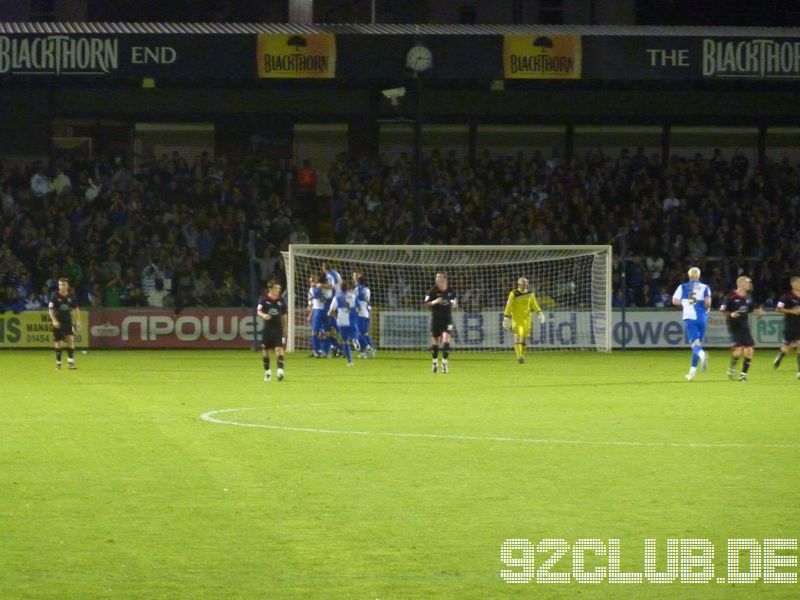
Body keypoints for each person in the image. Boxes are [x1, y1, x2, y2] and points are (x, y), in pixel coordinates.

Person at [720, 275, 762, 381]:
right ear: (741, 284)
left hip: (744, 326)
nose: (749, 284)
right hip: (734, 326)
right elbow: (722, 310)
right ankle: (732, 366)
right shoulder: (730, 296)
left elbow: (751, 310)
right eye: (747, 282)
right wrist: (731, 314)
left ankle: (743, 375)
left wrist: (758, 312)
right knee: (738, 350)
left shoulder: (749, 297)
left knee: (749, 350)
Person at [672, 266, 711, 381]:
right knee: (697, 345)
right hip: (702, 318)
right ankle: (691, 374)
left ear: (689, 276)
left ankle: (703, 355)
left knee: (695, 346)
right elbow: (708, 303)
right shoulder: (705, 287)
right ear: (699, 276)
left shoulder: (683, 287)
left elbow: (674, 301)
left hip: (690, 317)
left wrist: (685, 303)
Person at [503, 277, 545, 364]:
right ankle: (519, 356)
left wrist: (540, 313)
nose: (527, 284)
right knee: (519, 336)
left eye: (527, 282)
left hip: (527, 319)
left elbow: (534, 304)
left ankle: (521, 356)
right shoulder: (514, 293)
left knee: (524, 339)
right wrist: (506, 316)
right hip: (516, 319)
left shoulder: (530, 293)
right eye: (525, 283)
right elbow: (509, 305)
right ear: (519, 284)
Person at [423, 271, 457, 374]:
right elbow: (425, 304)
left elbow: (455, 304)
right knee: (436, 342)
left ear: (445, 279)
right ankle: (434, 363)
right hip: (436, 319)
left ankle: (444, 363)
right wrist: (435, 301)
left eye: (439, 278)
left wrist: (453, 303)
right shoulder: (432, 291)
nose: (437, 280)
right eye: (436, 278)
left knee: (446, 341)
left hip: (447, 319)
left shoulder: (451, 291)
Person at [256, 280, 288, 382]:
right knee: (265, 351)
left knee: (279, 349)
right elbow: (259, 311)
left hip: (278, 328)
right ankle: (268, 372)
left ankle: (280, 371)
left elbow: (284, 314)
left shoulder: (281, 300)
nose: (278, 290)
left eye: (279, 288)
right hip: (267, 329)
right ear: (270, 289)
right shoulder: (263, 299)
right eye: (276, 288)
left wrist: (286, 326)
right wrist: (263, 315)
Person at [48, 277, 81, 370]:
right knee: (58, 342)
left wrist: (78, 321)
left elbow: (75, 309)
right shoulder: (54, 295)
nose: (61, 286)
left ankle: (71, 363)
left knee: (70, 339)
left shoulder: (71, 296)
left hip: (68, 321)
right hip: (58, 322)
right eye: (60, 285)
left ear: (67, 286)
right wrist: (54, 320)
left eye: (63, 284)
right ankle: (58, 363)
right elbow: (50, 309)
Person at [773, 275, 800, 378]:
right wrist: (792, 311)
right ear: (793, 284)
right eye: (798, 282)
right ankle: (781, 355)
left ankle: (799, 372)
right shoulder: (787, 296)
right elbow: (778, 309)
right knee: (787, 348)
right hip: (790, 325)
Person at [328, 280, 357, 366]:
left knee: (345, 341)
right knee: (355, 332)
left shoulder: (337, 297)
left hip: (341, 320)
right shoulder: (353, 296)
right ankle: (354, 339)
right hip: (351, 319)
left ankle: (350, 361)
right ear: (347, 288)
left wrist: (336, 317)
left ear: (340, 288)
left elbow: (331, 311)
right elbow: (357, 307)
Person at [353, 270, 376, 358]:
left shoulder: (356, 290)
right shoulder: (367, 290)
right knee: (364, 334)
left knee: (357, 334)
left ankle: (369, 348)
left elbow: (354, 301)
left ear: (358, 281)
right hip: (366, 313)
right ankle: (363, 353)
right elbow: (367, 301)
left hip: (359, 314)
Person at [306, 273, 326, 358]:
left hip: (318, 312)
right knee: (321, 332)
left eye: (313, 281)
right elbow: (311, 304)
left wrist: (310, 315)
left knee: (316, 332)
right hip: (321, 311)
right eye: (310, 281)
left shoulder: (314, 289)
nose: (312, 283)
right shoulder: (317, 289)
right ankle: (318, 350)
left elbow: (316, 303)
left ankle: (318, 351)